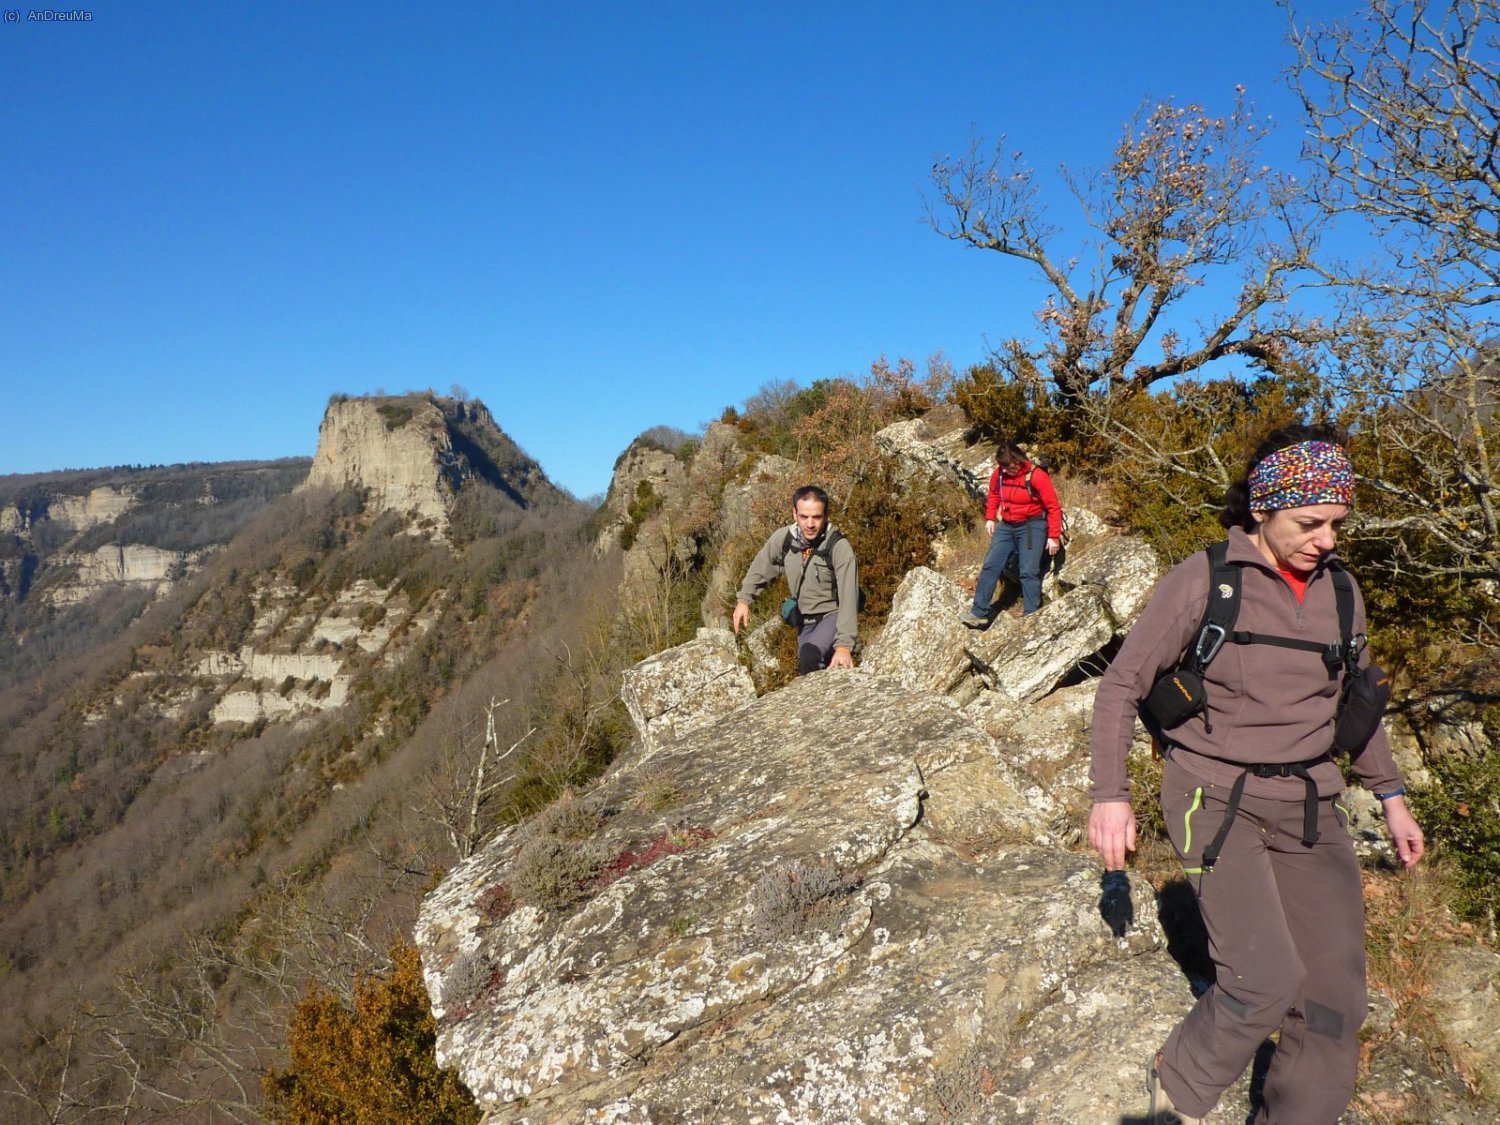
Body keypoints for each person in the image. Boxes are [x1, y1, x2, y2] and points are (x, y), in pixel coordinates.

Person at [1087, 425, 1425, 1125]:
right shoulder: (1206, 579)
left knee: (1336, 998)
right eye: (1309, 522)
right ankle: (1174, 1093)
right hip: (1212, 796)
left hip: (1309, 802)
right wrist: (1110, 795)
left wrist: (1391, 796)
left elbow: (1356, 701)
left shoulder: (1341, 592)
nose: (1326, 538)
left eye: (1336, 523)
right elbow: (1121, 684)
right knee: (1262, 980)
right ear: (1262, 509)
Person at [732, 485, 858, 674]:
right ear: (794, 513)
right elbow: (761, 566)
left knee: (809, 657)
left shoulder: (838, 548)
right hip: (803, 622)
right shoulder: (784, 540)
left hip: (832, 616)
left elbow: (849, 598)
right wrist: (744, 600)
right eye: (804, 517)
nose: (810, 524)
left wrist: (844, 646)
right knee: (811, 670)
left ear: (826, 515)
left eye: (816, 517)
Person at [958, 442, 1062, 626]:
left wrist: (1054, 536)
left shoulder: (1036, 475)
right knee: (991, 565)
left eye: (1008, 465)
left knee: (1028, 571)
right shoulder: (999, 474)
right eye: (1002, 465)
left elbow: (1053, 507)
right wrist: (990, 518)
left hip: (1032, 526)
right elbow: (994, 494)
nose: (1005, 470)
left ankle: (1031, 616)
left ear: (1018, 460)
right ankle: (979, 613)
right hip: (1006, 525)